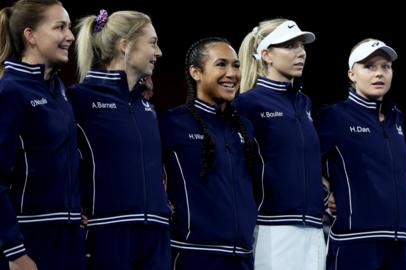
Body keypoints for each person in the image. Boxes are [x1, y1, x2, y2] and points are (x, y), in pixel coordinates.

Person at [70, 9, 170, 269]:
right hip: (108, 234)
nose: (158, 52)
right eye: (152, 43)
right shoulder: (78, 99)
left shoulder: (147, 106)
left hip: (156, 236)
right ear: (125, 46)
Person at [234, 18, 327, 270]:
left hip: (314, 226)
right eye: (289, 46)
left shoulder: (304, 103)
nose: (300, 53)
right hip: (273, 226)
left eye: (301, 45)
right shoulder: (247, 104)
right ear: (266, 54)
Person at [159, 37, 257, 270]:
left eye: (235, 65)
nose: (232, 73)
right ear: (196, 72)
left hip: (242, 256)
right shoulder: (171, 122)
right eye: (221, 64)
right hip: (193, 254)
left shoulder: (244, 126)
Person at [314, 38, 406, 269]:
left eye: (385, 67)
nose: (379, 74)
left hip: (400, 242)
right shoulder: (334, 116)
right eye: (369, 67)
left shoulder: (397, 119)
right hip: (354, 241)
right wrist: (325, 194)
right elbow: (305, 163)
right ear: (351, 74)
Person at [0, 1, 83, 270]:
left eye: (69, 27)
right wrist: (14, 251)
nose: (70, 36)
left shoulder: (58, 89)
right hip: (30, 240)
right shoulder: (10, 91)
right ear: (30, 36)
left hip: (69, 238)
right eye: (60, 27)